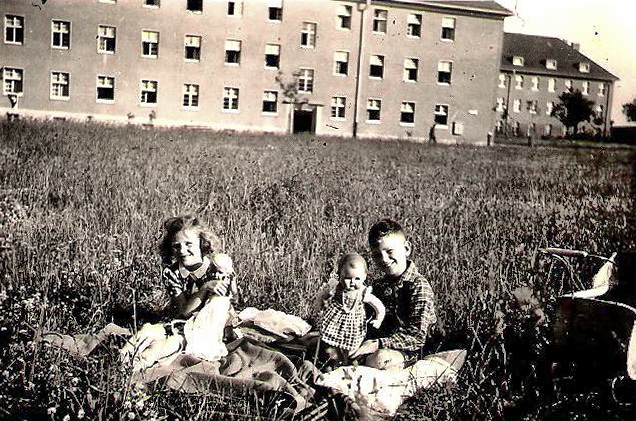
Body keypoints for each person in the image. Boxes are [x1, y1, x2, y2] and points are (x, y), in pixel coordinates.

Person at [121, 215, 238, 368]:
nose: (183, 251)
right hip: (183, 321)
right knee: (147, 330)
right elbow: (184, 311)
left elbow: (232, 299)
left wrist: (231, 279)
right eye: (177, 246)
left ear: (202, 244)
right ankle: (118, 360)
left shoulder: (215, 268)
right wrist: (204, 288)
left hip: (210, 327)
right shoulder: (172, 273)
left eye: (188, 244)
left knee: (166, 344)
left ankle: (138, 365)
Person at [350, 219, 437, 370]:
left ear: (407, 248)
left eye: (390, 252)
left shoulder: (418, 285)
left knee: (380, 359)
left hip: (411, 350)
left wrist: (378, 344)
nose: (384, 259)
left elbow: (417, 337)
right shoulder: (378, 285)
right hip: (377, 342)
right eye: (377, 255)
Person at [318, 253, 385, 366]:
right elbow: (322, 296)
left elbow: (379, 306)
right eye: (348, 278)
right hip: (335, 319)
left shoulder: (364, 292)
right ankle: (329, 359)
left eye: (357, 279)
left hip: (353, 323)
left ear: (364, 277)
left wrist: (378, 319)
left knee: (352, 345)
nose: (353, 282)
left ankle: (347, 360)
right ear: (339, 275)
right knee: (329, 340)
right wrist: (319, 306)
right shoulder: (336, 287)